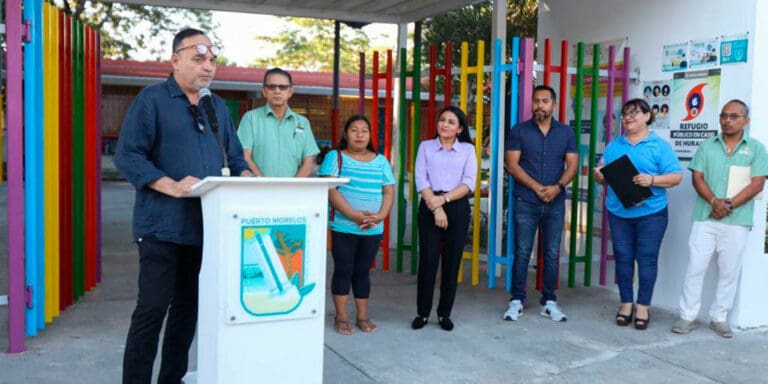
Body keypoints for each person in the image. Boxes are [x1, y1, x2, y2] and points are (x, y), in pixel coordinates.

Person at [114, 28, 252, 384]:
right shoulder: (152, 100)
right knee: (152, 310)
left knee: (187, 311)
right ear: (175, 60)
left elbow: (236, 158)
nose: (208, 67)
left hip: (205, 229)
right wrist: (170, 185)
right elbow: (128, 156)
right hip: (161, 227)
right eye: (199, 59)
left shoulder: (216, 106)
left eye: (212, 61)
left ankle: (171, 379)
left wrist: (249, 179)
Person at [672, 100, 768, 338]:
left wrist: (729, 205)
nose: (727, 120)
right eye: (724, 115)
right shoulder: (707, 146)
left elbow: (758, 183)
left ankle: (719, 318)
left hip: (737, 220)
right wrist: (714, 201)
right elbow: (697, 178)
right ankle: (687, 315)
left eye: (734, 116)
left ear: (746, 120)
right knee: (695, 267)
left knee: (729, 271)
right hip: (705, 218)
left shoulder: (756, 149)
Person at [593, 98, 682, 330]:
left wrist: (652, 179)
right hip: (619, 212)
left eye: (634, 113)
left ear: (647, 116)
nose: (628, 117)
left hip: (651, 213)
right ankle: (626, 303)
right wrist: (599, 176)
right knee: (623, 257)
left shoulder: (659, 146)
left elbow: (676, 176)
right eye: (625, 114)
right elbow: (603, 175)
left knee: (646, 258)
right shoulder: (614, 145)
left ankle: (643, 306)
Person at [502, 85, 578, 323]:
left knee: (552, 252)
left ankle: (549, 301)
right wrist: (536, 187)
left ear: (554, 105)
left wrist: (557, 187)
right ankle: (517, 300)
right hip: (526, 200)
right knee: (522, 251)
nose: (539, 105)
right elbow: (512, 165)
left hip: (555, 203)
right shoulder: (519, 130)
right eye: (536, 101)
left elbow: (573, 165)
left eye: (545, 101)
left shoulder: (566, 132)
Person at [319, 115, 395, 335]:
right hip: (343, 226)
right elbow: (330, 189)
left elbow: (388, 191)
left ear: (370, 135)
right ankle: (341, 317)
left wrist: (380, 216)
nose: (359, 134)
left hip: (372, 227)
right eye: (354, 130)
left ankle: (362, 316)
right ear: (346, 133)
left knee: (363, 271)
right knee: (343, 270)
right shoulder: (335, 157)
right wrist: (353, 215)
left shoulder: (381, 161)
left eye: (364, 130)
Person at [411, 106, 477, 331]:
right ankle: (422, 313)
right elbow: (421, 178)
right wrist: (437, 207)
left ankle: (444, 313)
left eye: (451, 122)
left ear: (460, 129)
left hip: (457, 206)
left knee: (452, 262)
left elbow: (469, 182)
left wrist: (444, 200)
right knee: (428, 261)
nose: (445, 124)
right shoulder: (426, 147)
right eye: (442, 120)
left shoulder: (468, 150)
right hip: (430, 204)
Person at [237, 67, 320, 177]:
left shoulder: (303, 123)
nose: (277, 91)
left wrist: (292, 186)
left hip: (293, 187)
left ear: (290, 92)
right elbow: (245, 156)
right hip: (258, 186)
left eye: (283, 87)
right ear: (264, 91)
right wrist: (264, 183)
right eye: (271, 87)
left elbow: (308, 163)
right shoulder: (250, 119)